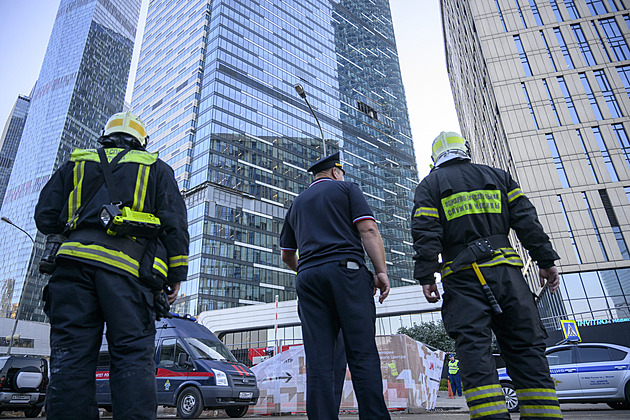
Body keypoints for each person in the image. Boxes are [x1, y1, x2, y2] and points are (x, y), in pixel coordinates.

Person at [34, 111, 189, 419]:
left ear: (105, 137)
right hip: (128, 277)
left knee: (71, 357)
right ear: (141, 142)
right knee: (131, 356)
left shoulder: (76, 163)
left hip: (72, 271)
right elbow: (175, 226)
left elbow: (45, 216)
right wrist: (176, 275)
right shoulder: (155, 168)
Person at [411, 132, 562, 420]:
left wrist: (426, 276)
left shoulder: (429, 186)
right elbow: (527, 221)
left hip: (463, 278)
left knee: (473, 349)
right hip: (508, 275)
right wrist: (545, 260)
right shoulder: (499, 177)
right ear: (465, 150)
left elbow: (425, 233)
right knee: (526, 345)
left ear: (435, 159)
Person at [280, 151, 391, 420]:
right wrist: (380, 272)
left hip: (307, 280)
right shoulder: (347, 189)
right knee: (361, 352)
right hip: (347, 274)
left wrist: (308, 269)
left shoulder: (296, 204)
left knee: (319, 360)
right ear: (335, 172)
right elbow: (368, 230)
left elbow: (286, 254)